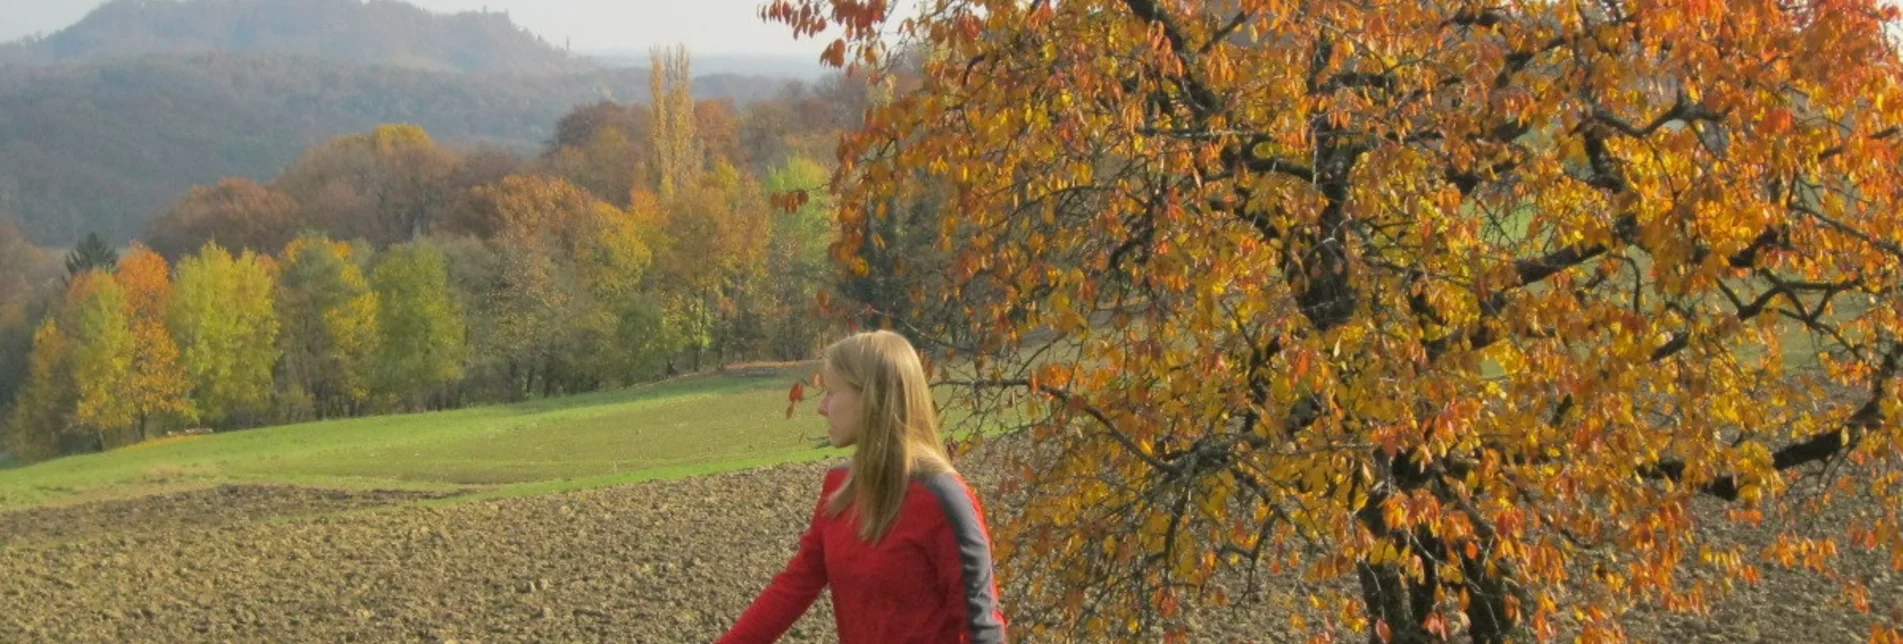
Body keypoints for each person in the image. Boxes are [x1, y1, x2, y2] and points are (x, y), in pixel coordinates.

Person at [718, 330, 1008, 643]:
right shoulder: (839, 489)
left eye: (831, 392)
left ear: (872, 397)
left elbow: (982, 628)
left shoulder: (943, 499)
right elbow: (793, 587)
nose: (822, 408)